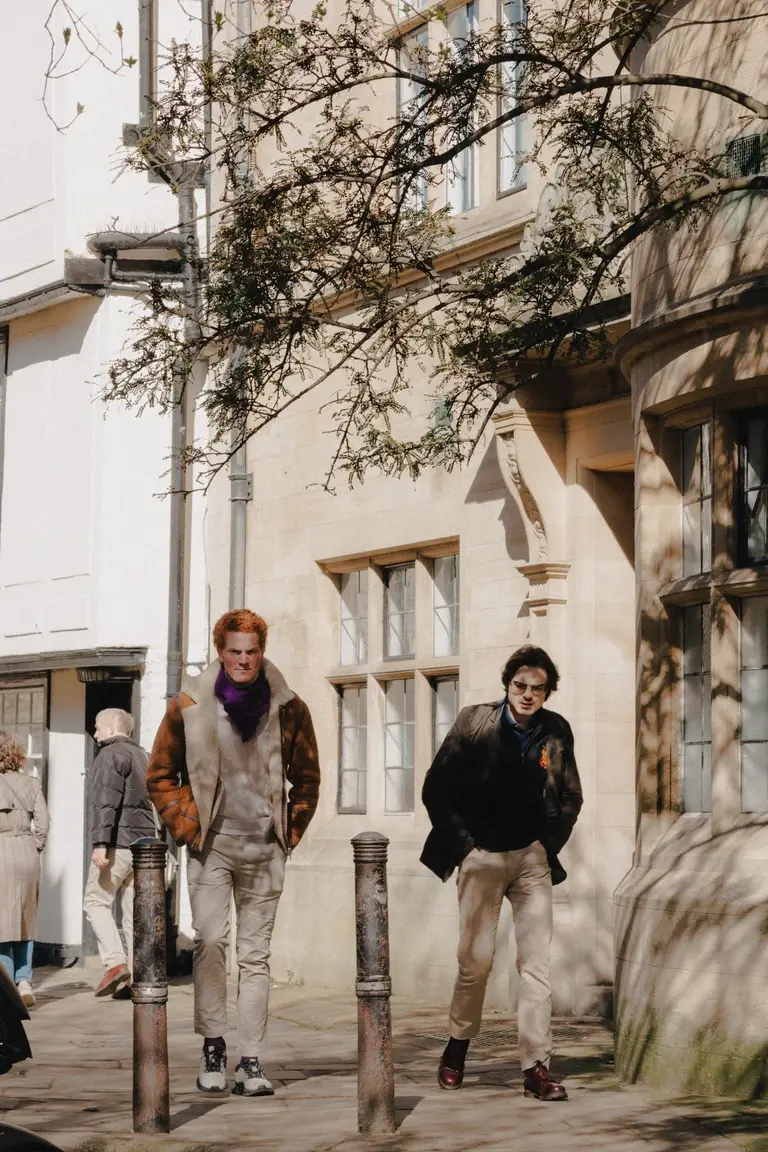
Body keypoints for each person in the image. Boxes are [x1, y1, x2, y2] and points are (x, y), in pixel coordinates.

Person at [148, 609, 320, 1098]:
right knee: (210, 942)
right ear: (220, 651)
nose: (243, 660)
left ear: (261, 651)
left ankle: (250, 1059)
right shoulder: (189, 704)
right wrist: (186, 824)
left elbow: (307, 778)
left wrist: (289, 829)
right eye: (234, 651)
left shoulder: (289, 707)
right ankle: (213, 1046)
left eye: (251, 651)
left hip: (265, 848)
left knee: (256, 956)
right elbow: (160, 775)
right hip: (212, 847)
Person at [421, 644, 583, 1102]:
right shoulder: (475, 723)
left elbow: (571, 795)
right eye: (520, 686)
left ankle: (536, 1068)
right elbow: (436, 788)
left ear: (548, 691)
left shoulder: (555, 731)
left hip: (531, 860)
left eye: (537, 688)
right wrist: (466, 847)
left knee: (536, 966)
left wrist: (546, 846)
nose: (528, 695)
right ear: (507, 684)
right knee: (476, 963)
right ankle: (456, 1047)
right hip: (482, 857)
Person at [83, 708, 155, 999]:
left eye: (98, 727)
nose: (95, 733)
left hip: (118, 844)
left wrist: (100, 844)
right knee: (132, 913)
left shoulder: (109, 755)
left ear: (113, 727)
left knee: (94, 902)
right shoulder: (144, 756)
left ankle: (115, 964)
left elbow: (105, 802)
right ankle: (136, 980)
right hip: (145, 846)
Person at [0, 731, 49, 1009]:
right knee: (25, 917)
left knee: (2, 922)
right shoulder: (30, 783)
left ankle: (7, 982)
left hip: (1, 851)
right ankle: (25, 980)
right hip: (27, 852)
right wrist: (35, 846)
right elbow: (44, 823)